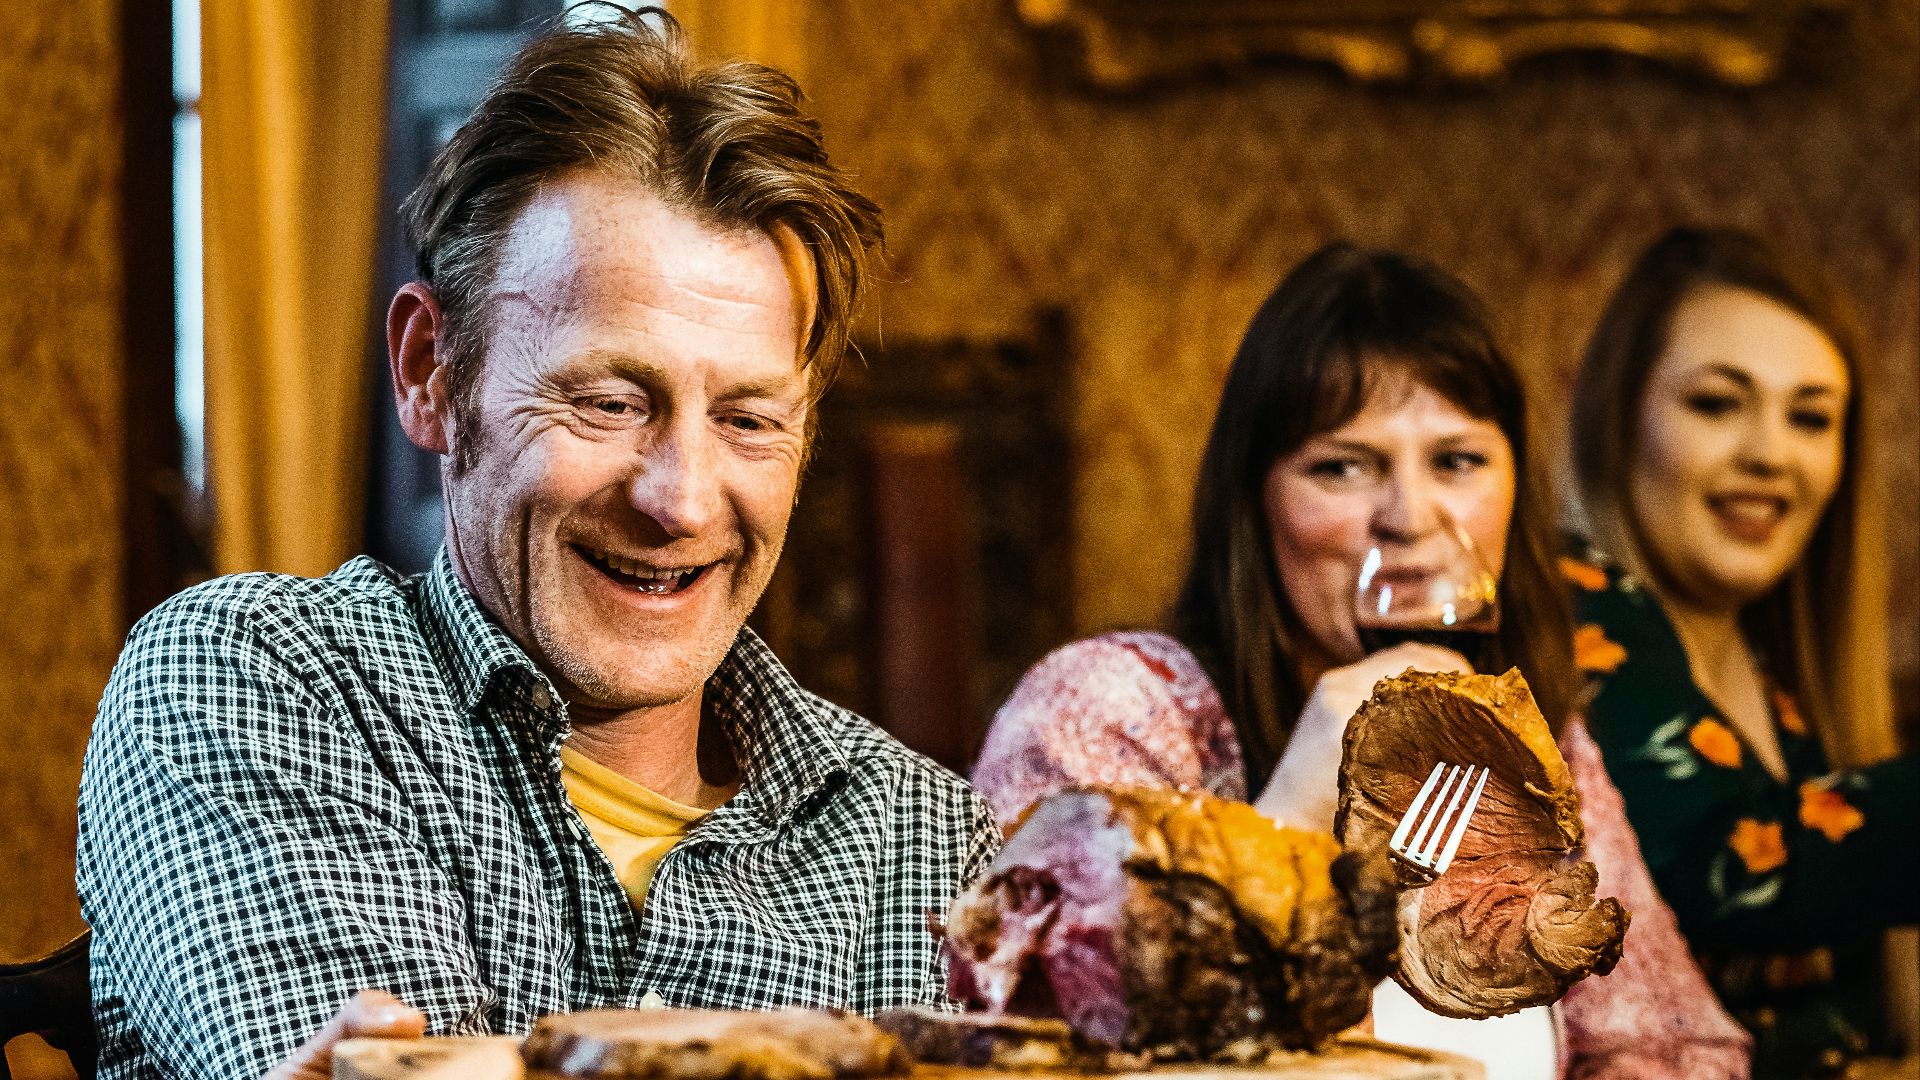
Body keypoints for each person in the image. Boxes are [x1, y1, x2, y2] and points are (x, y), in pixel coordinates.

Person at [77, 12, 999, 1080]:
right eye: (608, 402)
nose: (682, 501)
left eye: (749, 420)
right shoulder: (251, 684)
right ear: (431, 372)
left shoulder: (927, 840)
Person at [972, 244, 1751, 1080]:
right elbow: (1049, 1056)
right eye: (1343, 466)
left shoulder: (1525, 741)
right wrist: (1293, 816)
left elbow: (1678, 1046)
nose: (1409, 518)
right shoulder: (1104, 712)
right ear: (1255, 500)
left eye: (1456, 461)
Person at [1565, 226, 1919, 1080]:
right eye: (1718, 404)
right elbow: (1717, 863)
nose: (1769, 453)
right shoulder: (1570, 601)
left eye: (1810, 417)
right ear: (1618, 419)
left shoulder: (1790, 675)